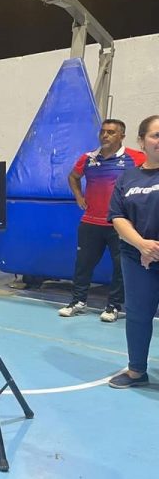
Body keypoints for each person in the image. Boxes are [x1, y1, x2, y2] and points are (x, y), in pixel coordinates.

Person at [59, 119, 145, 321]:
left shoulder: (135, 158)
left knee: (120, 267)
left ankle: (113, 306)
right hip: (90, 222)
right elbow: (73, 177)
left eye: (111, 132)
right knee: (83, 265)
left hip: (120, 225)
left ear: (121, 136)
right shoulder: (88, 158)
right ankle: (78, 301)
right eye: (103, 131)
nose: (105, 135)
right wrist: (79, 196)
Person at [107, 115, 159, 388]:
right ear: (142, 141)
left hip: (150, 253)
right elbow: (117, 217)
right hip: (137, 259)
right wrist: (142, 245)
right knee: (138, 315)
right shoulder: (128, 178)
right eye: (156, 135)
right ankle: (137, 371)